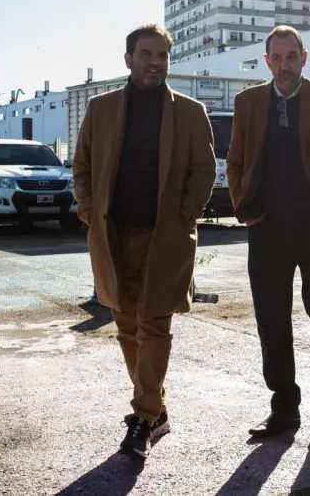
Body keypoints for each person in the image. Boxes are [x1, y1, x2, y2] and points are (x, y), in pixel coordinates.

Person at [72, 23, 217, 459]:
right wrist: (89, 210)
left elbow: (204, 170)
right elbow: (82, 165)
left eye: (163, 56)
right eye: (147, 54)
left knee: (155, 324)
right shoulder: (101, 109)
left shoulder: (190, 112)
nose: (155, 62)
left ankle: (142, 418)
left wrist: (184, 214)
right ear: (129, 59)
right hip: (114, 235)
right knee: (126, 326)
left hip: (165, 237)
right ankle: (157, 409)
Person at [227, 24, 310, 439]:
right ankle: (285, 405)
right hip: (266, 228)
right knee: (271, 319)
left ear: (303, 56)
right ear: (267, 62)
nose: (284, 66)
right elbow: (235, 161)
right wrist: (244, 207)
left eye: (291, 56)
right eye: (277, 59)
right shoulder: (248, 102)